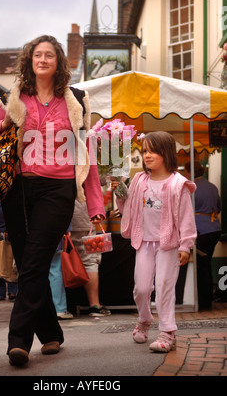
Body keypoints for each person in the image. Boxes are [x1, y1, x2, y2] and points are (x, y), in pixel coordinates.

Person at [0, 35, 105, 367]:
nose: (43, 59)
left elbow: (84, 155)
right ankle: (50, 333)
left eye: (49, 55)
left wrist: (96, 207)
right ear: (29, 61)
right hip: (17, 189)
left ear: (59, 62)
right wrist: (3, 124)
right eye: (37, 54)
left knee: (34, 262)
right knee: (28, 262)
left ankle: (17, 342)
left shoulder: (76, 101)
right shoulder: (12, 98)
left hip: (58, 190)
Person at [111, 131, 197, 353]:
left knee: (164, 287)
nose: (147, 155)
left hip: (169, 244)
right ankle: (144, 318)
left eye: (152, 150)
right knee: (141, 288)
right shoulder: (140, 180)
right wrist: (120, 194)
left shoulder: (179, 184)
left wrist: (186, 245)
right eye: (145, 150)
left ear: (165, 152)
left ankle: (167, 332)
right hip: (144, 242)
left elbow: (187, 217)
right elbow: (129, 208)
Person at [183, 161, 222, 310]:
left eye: (185, 171)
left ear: (189, 172)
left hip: (201, 231)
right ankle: (207, 300)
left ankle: (203, 302)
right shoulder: (212, 186)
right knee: (206, 265)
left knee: (201, 267)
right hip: (214, 229)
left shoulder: (191, 188)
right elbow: (218, 207)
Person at [71, 199, 111, 317]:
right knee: (90, 261)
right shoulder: (89, 179)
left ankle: (60, 306)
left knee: (57, 260)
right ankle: (94, 305)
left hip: (63, 218)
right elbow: (101, 181)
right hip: (85, 217)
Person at [49, 230, 73, 320]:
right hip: (53, 235)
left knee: (33, 272)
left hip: (30, 240)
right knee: (55, 270)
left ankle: (32, 308)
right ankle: (59, 309)